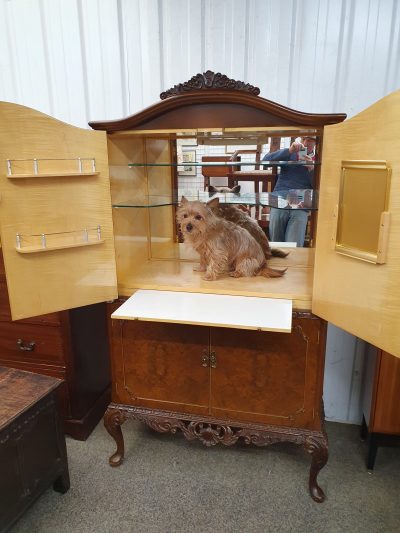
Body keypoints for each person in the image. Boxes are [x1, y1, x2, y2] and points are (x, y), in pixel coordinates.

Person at [262, 136, 316, 246]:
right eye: (304, 139)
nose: (305, 142)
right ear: (300, 140)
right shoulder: (290, 153)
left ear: (316, 142)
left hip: (301, 199)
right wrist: (289, 151)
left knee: (294, 246)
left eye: (310, 139)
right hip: (280, 195)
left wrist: (312, 169)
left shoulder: (318, 159)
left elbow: (321, 186)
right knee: (276, 244)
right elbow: (265, 162)